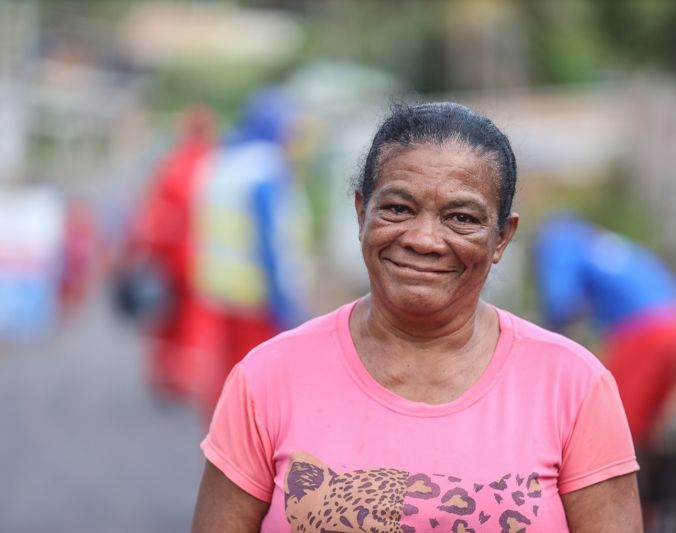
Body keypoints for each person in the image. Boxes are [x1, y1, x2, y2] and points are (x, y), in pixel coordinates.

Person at [192, 102, 643, 532]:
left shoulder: (573, 386)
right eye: (397, 209)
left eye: (461, 217)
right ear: (360, 213)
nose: (424, 239)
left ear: (502, 238)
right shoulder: (267, 378)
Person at [192, 87, 311, 419]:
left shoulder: (223, 163)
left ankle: (221, 446)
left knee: (227, 373)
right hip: (256, 293)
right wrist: (283, 304)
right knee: (259, 384)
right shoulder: (266, 170)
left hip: (219, 286)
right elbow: (270, 240)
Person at [532, 211, 676, 449]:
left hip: (644, 330)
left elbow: (561, 305)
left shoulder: (558, 239)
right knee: (644, 428)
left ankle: (616, 485)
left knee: (613, 427)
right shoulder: (598, 241)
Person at [124, 105, 217, 402]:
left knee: (163, 315)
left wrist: (143, 248)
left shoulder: (172, 163)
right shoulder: (213, 163)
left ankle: (164, 373)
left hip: (167, 252)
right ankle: (184, 375)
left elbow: (152, 210)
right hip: (199, 255)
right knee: (191, 318)